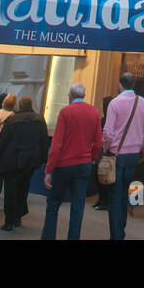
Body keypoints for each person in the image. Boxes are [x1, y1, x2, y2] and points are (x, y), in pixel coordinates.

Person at [42, 84, 101, 240]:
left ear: (70, 95)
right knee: (78, 205)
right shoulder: (94, 112)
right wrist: (91, 158)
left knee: (54, 203)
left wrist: (49, 169)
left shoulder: (65, 112)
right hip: (84, 164)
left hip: (64, 164)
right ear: (85, 95)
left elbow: (57, 144)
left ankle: (48, 237)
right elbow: (98, 142)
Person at [101, 72, 144, 240]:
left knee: (114, 196)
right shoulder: (143, 102)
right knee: (123, 193)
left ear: (120, 84)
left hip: (116, 154)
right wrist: (138, 145)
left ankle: (116, 235)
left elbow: (107, 132)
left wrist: (108, 147)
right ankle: (120, 231)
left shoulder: (115, 103)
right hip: (132, 155)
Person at [0, 96, 48, 231]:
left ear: (20, 106)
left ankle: (9, 220)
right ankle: (18, 216)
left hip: (11, 159)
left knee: (10, 189)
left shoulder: (12, 120)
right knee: (23, 188)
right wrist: (43, 159)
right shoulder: (39, 120)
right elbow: (44, 141)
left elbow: (2, 141)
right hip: (30, 160)